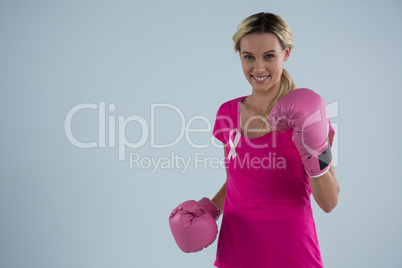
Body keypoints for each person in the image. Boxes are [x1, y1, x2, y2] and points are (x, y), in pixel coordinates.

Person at [169, 12, 340, 268]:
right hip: (236, 250)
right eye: (248, 57)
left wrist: (312, 149)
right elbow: (237, 180)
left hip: (292, 250)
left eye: (268, 56)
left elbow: (329, 202)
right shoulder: (227, 114)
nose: (258, 68)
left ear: (287, 53)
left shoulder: (308, 114)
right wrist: (210, 208)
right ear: (239, 55)